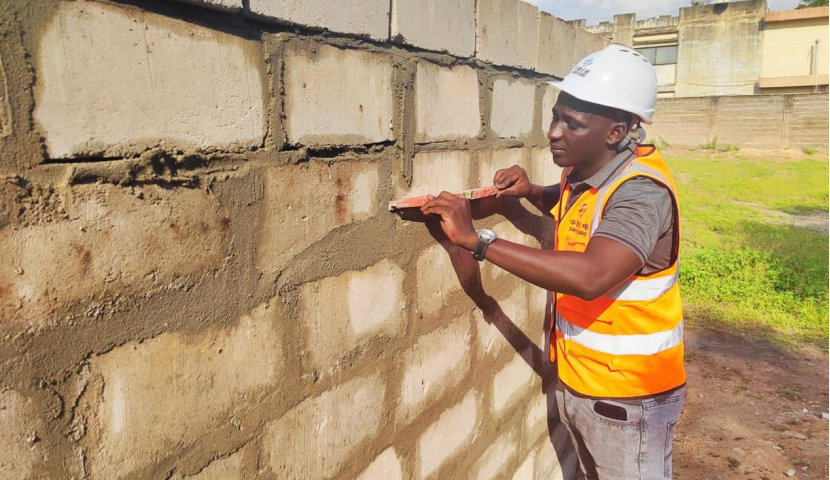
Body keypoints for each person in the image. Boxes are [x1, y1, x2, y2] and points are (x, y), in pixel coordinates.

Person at [420, 45, 686, 480]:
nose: (553, 133)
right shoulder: (583, 171)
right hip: (583, 381)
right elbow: (578, 209)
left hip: (629, 398)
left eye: (571, 124)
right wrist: (530, 193)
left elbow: (591, 275)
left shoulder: (641, 194)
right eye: (555, 117)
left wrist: (476, 240)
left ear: (616, 132)